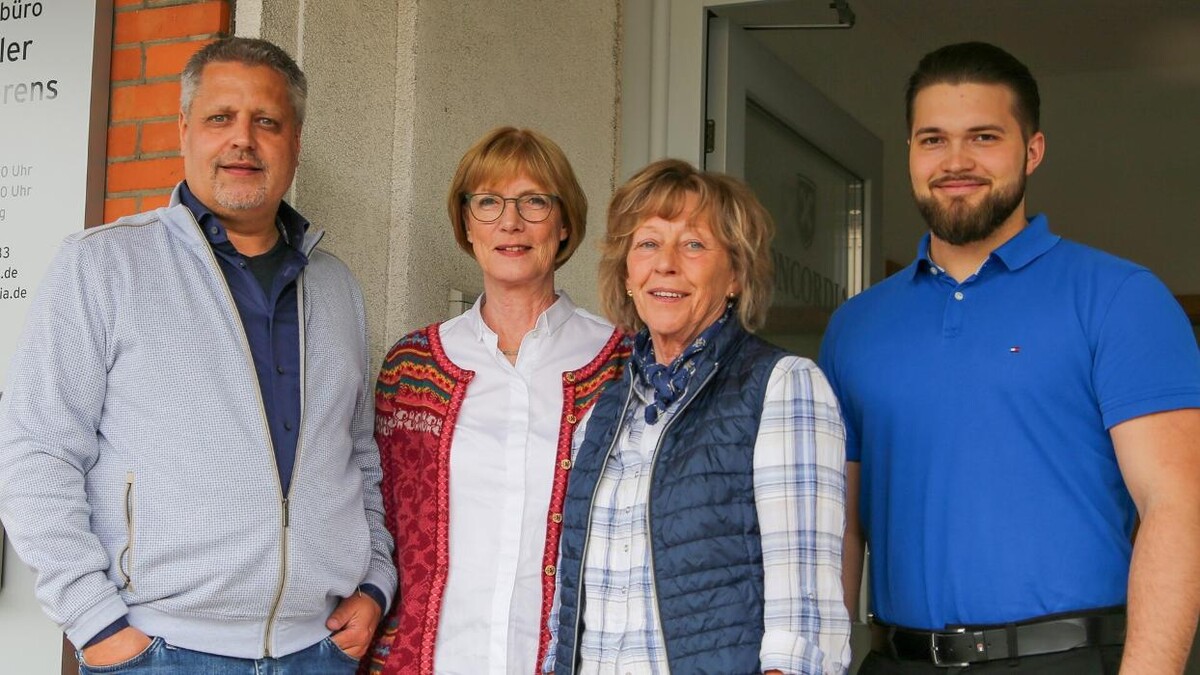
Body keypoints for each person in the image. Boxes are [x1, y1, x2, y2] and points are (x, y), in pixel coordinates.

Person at [0, 37, 396, 672]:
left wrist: (376, 578)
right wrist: (95, 624)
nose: (244, 139)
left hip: (318, 651)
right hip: (160, 652)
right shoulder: (103, 265)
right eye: (221, 118)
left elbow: (356, 452)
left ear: (294, 142)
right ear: (184, 128)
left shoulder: (333, 284)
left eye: (266, 121)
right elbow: (37, 448)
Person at [819, 41, 1200, 674]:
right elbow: (837, 531)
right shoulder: (855, 327)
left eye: (984, 137)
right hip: (895, 661)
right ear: (911, 153)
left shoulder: (1119, 297)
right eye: (933, 139)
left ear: (1033, 150)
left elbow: (1178, 507)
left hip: (1064, 660)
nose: (956, 161)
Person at [547, 159, 852, 674]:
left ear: (734, 274)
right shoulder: (603, 412)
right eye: (647, 243)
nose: (666, 264)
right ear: (627, 274)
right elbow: (571, 609)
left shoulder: (781, 386)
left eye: (693, 244)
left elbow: (803, 621)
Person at [364, 126, 631, 675]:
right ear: (467, 223)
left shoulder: (621, 363)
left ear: (563, 224)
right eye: (487, 202)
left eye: (534, 201)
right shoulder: (413, 366)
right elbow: (375, 514)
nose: (510, 222)